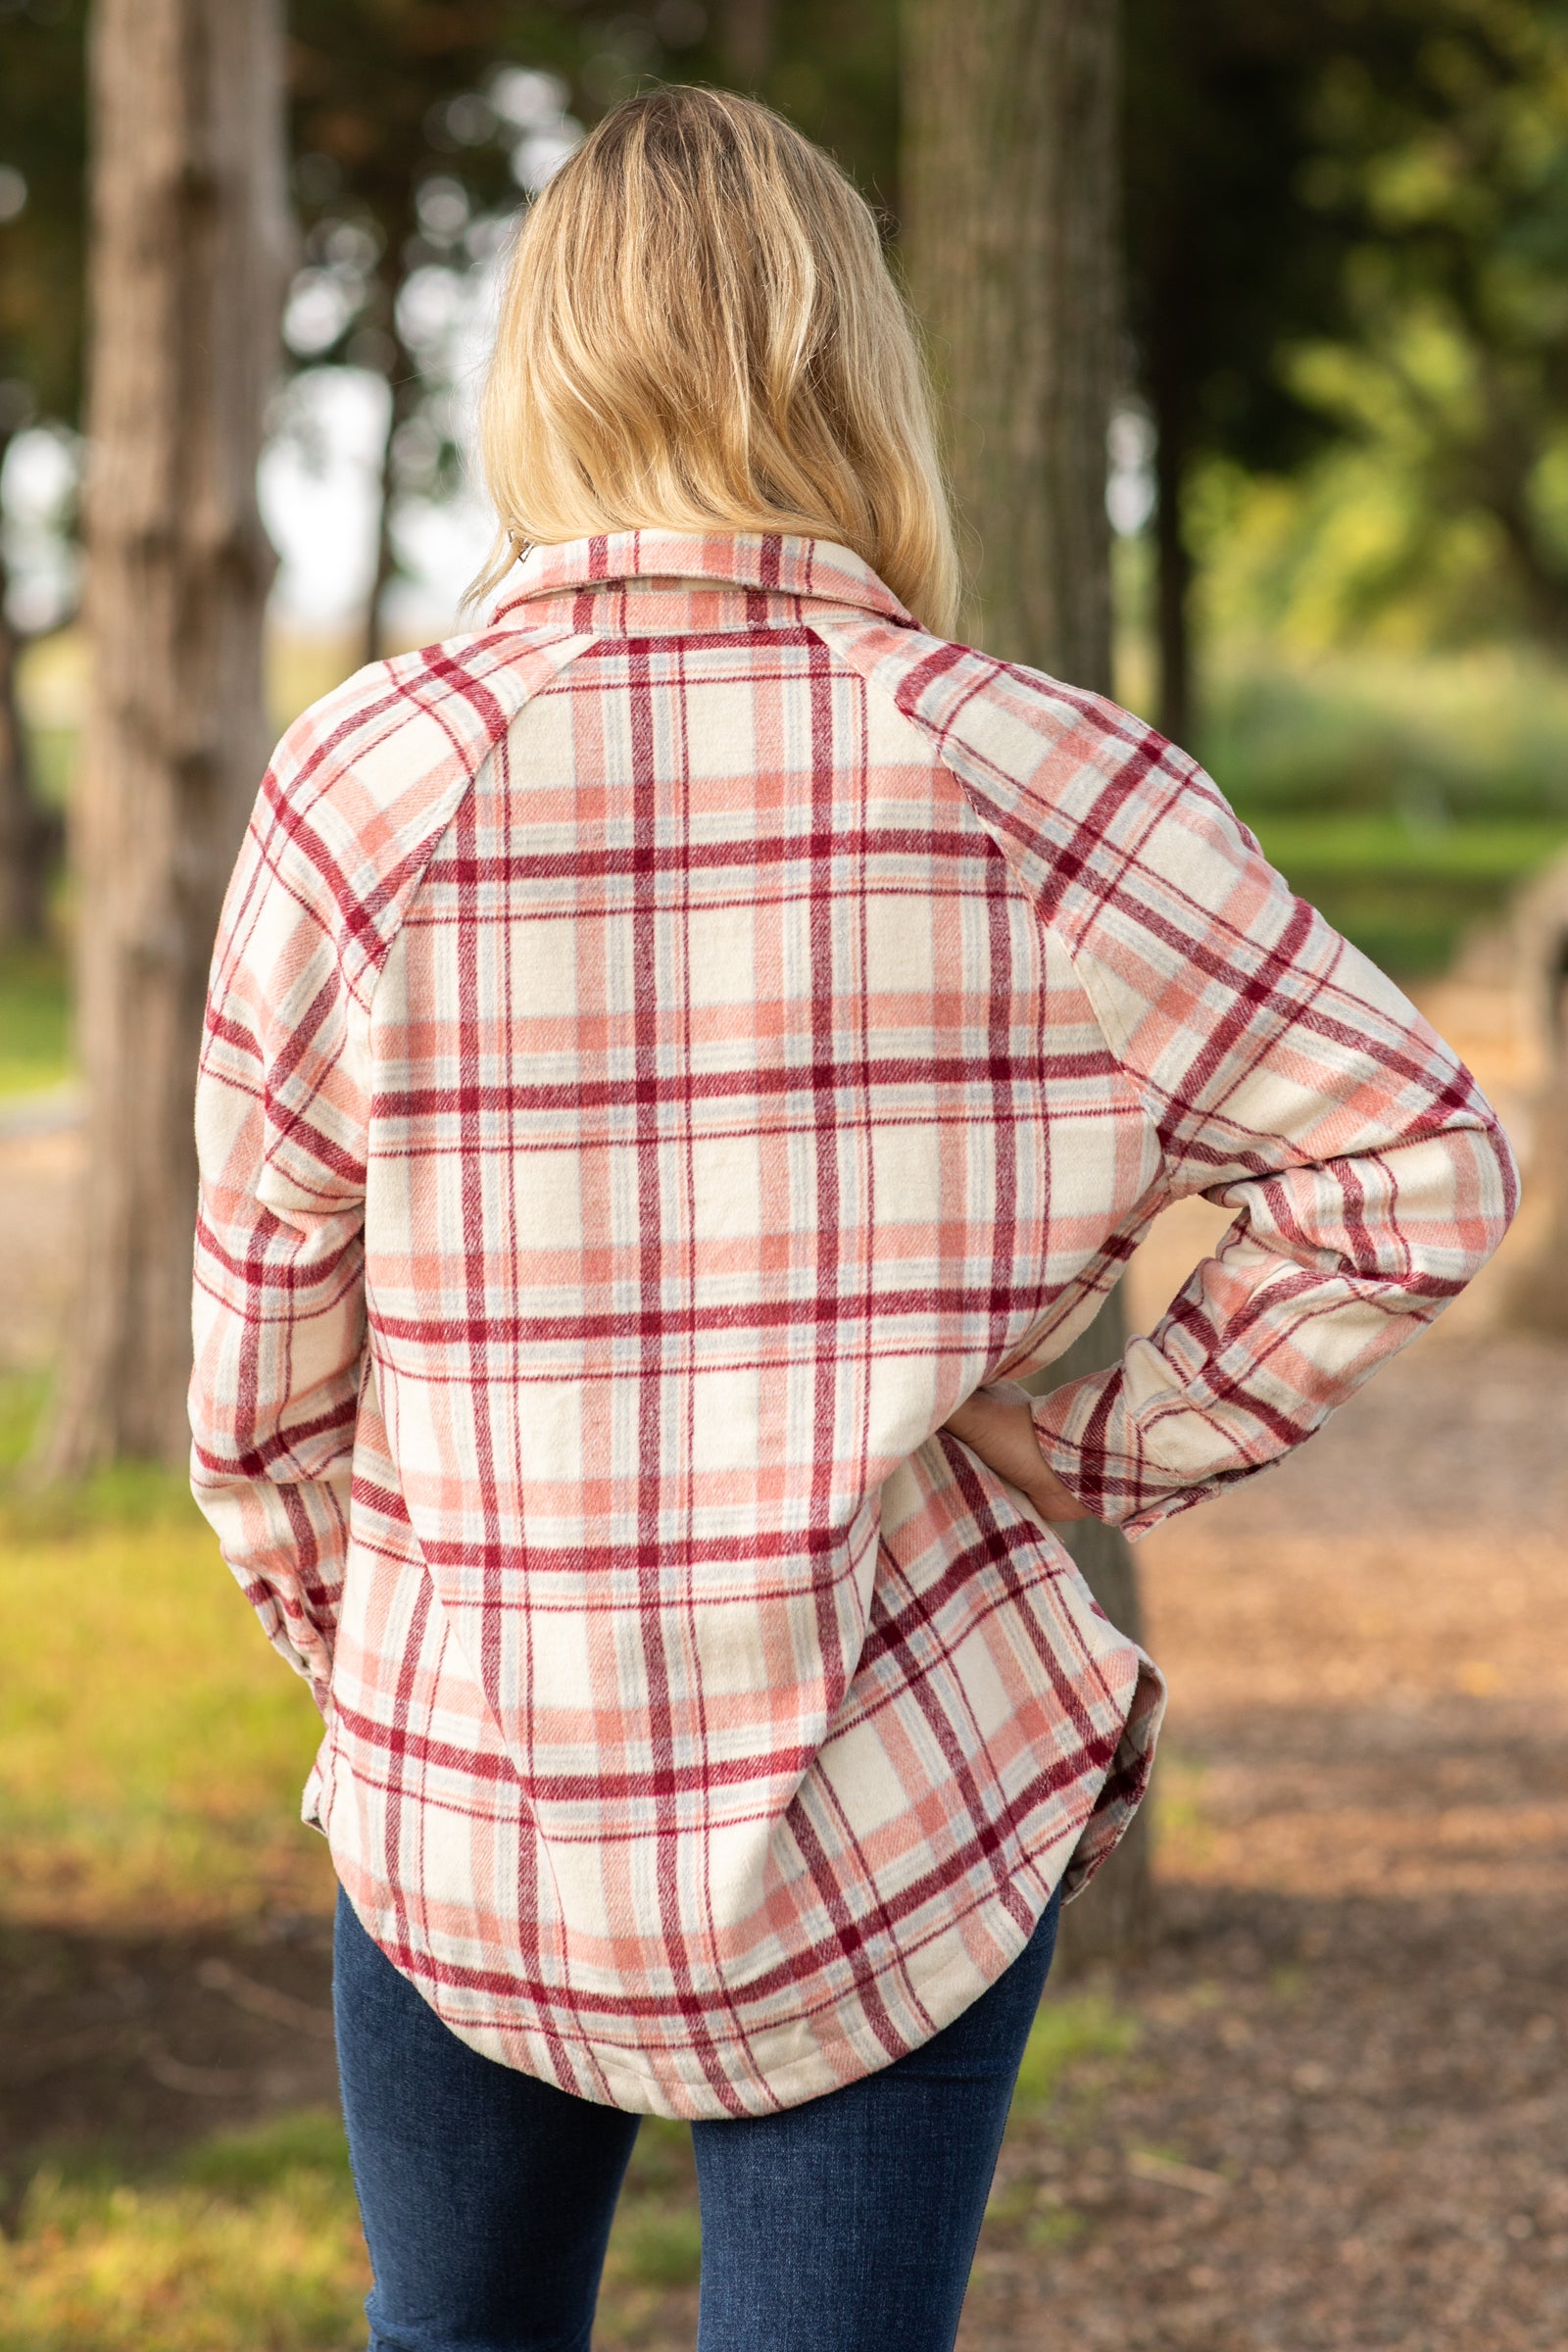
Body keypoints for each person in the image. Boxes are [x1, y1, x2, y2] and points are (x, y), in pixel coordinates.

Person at [188, 86, 1517, 2352]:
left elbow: (260, 1390)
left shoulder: (364, 782)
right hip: (892, 1788)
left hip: (465, 1785)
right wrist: (1098, 1448)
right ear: (855, 367)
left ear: (539, 369)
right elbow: (1408, 1165)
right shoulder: (1037, 774)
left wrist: (398, 1658)